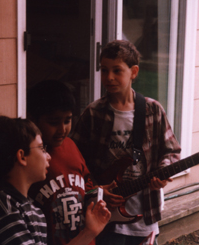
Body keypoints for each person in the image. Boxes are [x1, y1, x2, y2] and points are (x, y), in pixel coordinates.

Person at [0, 81, 112, 245]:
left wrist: (97, 192)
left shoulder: (71, 147)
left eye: (67, 121)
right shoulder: (13, 175)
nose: (62, 129)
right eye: (53, 122)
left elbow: (85, 184)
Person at [71, 40, 181, 245]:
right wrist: (98, 191)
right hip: (103, 216)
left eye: (117, 70)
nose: (109, 77)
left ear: (134, 72)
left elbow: (172, 151)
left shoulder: (153, 110)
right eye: (104, 70)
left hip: (143, 215)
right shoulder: (93, 113)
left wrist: (163, 173)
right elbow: (76, 165)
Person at [0, 115, 50, 244]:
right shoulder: (4, 209)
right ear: (22, 157)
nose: (48, 156)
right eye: (41, 148)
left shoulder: (33, 210)